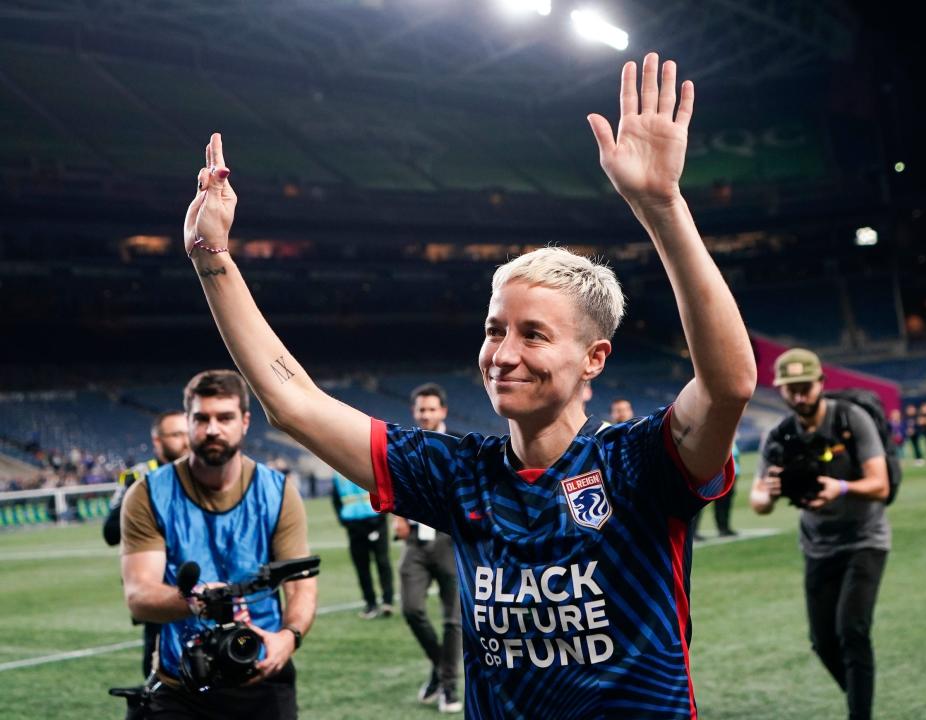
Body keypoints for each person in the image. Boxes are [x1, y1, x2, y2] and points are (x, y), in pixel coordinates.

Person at [183, 52, 755, 718]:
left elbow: (730, 384)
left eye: (533, 335)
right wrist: (213, 260)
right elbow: (293, 403)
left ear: (594, 358)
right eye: (493, 330)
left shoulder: (640, 462)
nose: (502, 354)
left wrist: (661, 206)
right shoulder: (459, 476)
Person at [120, 370, 316, 719]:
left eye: (224, 417)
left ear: (244, 421)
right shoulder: (148, 494)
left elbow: (301, 588)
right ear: (189, 421)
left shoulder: (278, 492)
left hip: (261, 674)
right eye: (201, 418)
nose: (212, 429)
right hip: (181, 683)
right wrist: (195, 600)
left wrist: (288, 637)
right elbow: (139, 596)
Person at [749, 348, 890, 720]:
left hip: (864, 540)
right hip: (817, 546)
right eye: (790, 388)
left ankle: (860, 714)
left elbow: (880, 484)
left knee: (852, 630)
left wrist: (839, 487)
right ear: (780, 390)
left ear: (821, 384)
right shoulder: (779, 436)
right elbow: (758, 500)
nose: (799, 396)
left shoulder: (851, 418)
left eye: (805, 387)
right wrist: (771, 492)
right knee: (823, 642)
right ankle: (859, 697)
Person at [392, 383, 463, 713]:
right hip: (416, 544)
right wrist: (398, 515)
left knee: (453, 620)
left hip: (449, 541)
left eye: (432, 409)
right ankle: (440, 668)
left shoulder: (461, 444)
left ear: (443, 412)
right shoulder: (406, 445)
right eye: (421, 409)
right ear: (414, 412)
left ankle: (448, 687)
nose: (426, 415)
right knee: (411, 609)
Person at [104, 410, 188, 679]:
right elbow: (110, 532)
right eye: (176, 435)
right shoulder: (138, 477)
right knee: (158, 670)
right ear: (157, 441)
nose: (185, 441)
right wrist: (141, 499)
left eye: (188, 433)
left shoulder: (207, 471)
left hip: (206, 579)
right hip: (158, 585)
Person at [331, 469, 395, 619]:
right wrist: (344, 521)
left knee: (382, 561)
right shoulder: (338, 473)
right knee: (362, 566)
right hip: (354, 524)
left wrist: (383, 514)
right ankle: (371, 604)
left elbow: (383, 486)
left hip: (376, 520)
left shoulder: (366, 462)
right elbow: (336, 499)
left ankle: (387, 601)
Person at [690, 439, 739, 540]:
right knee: (698, 502)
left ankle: (723, 528)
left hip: (728, 474)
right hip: (712, 473)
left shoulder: (728, 440)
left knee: (724, 502)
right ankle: (693, 532)